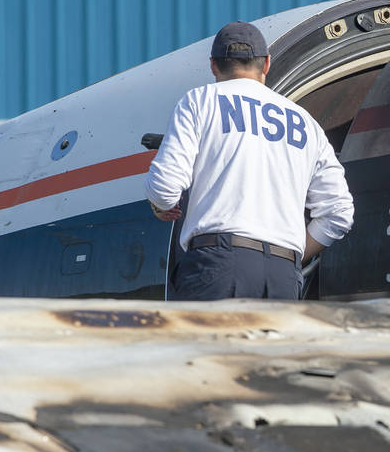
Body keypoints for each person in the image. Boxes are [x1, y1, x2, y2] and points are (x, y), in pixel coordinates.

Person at [145, 21, 354, 300]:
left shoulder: (200, 101)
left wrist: (162, 206)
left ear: (213, 66)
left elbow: (164, 187)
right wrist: (291, 253)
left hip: (217, 266)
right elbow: (339, 212)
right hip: (283, 276)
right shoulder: (305, 123)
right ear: (266, 64)